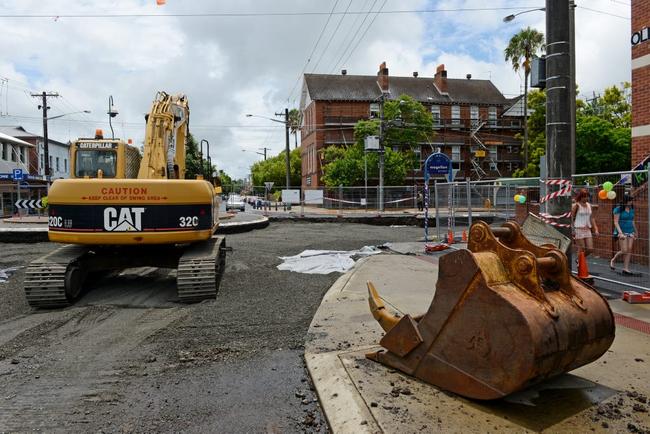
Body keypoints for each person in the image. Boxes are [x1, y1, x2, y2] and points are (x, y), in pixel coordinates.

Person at [610, 195, 638, 275]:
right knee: (624, 250)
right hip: (621, 231)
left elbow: (632, 221)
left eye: (632, 201)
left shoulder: (632, 209)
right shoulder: (618, 209)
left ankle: (626, 268)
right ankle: (613, 260)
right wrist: (620, 233)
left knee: (629, 249)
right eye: (630, 201)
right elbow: (616, 222)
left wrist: (636, 231)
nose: (631, 202)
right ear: (626, 201)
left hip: (630, 231)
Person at [572, 189, 599, 259]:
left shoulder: (589, 205)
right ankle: (580, 264)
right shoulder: (576, 205)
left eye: (587, 196)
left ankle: (579, 259)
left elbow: (592, 218)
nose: (586, 198)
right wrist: (573, 230)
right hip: (578, 229)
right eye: (584, 196)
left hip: (587, 229)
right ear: (580, 197)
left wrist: (596, 229)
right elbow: (571, 218)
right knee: (581, 248)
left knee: (590, 249)